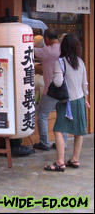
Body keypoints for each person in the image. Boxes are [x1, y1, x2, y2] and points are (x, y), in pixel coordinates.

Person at [44, 34, 90, 172]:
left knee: (58, 129)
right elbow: (84, 84)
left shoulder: (61, 62)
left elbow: (57, 82)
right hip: (80, 100)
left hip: (67, 102)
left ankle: (59, 162)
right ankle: (75, 159)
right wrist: (86, 100)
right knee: (78, 131)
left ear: (63, 46)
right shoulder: (80, 62)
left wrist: (56, 78)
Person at [33, 29, 68, 151]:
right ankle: (63, 143)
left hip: (51, 90)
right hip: (64, 90)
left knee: (42, 115)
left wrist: (33, 44)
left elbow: (29, 51)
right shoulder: (64, 50)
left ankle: (44, 142)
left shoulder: (47, 50)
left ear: (46, 38)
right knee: (62, 116)